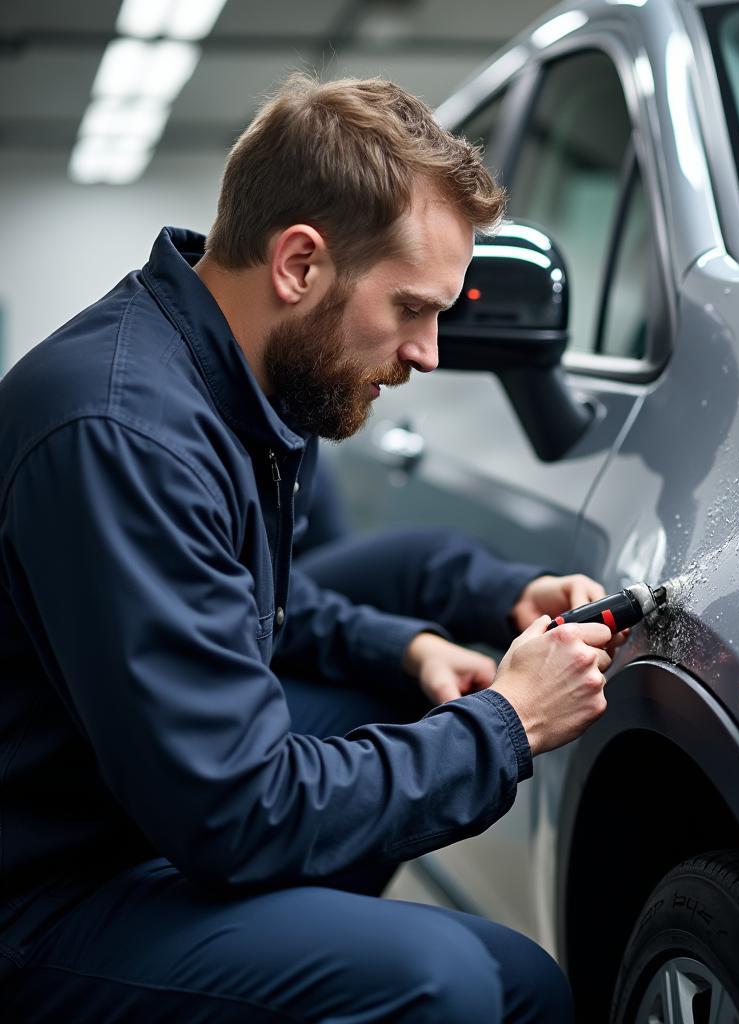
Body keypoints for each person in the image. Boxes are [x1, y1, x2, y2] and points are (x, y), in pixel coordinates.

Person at [0, 74, 622, 1022]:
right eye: (412, 308)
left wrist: (410, 649)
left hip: (134, 814)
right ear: (299, 264)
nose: (428, 353)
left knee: (522, 982)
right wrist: (511, 722)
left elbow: (237, 607)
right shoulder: (125, 432)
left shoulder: (229, 386)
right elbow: (235, 810)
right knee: (445, 988)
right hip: (44, 899)